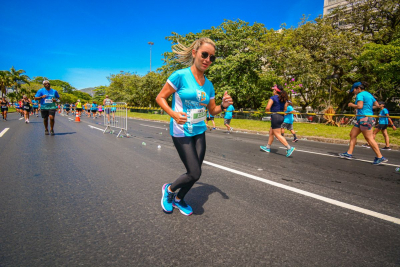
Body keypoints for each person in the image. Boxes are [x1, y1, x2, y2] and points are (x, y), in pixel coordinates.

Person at [156, 37, 233, 216]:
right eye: (204, 54)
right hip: (181, 130)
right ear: (194, 53)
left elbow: (212, 110)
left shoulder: (209, 85)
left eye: (212, 57)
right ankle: (169, 190)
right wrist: (174, 114)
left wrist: (223, 106)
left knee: (195, 173)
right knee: (194, 172)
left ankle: (179, 199)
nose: (207, 60)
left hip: (199, 130)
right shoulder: (180, 76)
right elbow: (160, 97)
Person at [339, 82, 387, 165]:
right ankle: (349, 153)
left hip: (365, 119)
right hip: (362, 119)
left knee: (369, 138)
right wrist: (366, 107)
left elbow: (360, 106)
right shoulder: (369, 94)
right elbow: (377, 105)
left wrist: (352, 105)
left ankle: (380, 157)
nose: (353, 92)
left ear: (358, 88)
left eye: (354, 90)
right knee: (352, 134)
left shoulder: (360, 95)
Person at [260, 85, 295, 157]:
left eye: (273, 90)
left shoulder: (273, 98)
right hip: (281, 116)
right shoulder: (283, 99)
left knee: (277, 134)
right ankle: (268, 147)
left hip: (275, 117)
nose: (273, 91)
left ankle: (289, 148)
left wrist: (268, 112)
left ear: (276, 91)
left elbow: (267, 108)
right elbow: (285, 109)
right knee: (271, 132)